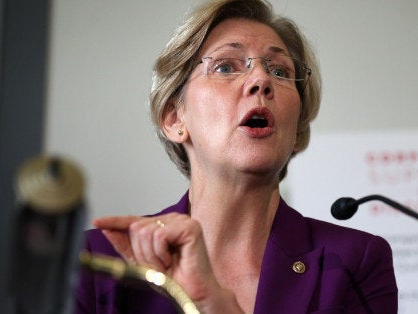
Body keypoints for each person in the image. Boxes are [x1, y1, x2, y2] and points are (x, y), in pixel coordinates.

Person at [74, 0, 398, 313]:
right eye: (225, 66)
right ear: (175, 119)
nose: (261, 80)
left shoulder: (355, 263)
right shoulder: (99, 261)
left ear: (297, 130)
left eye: (281, 72)